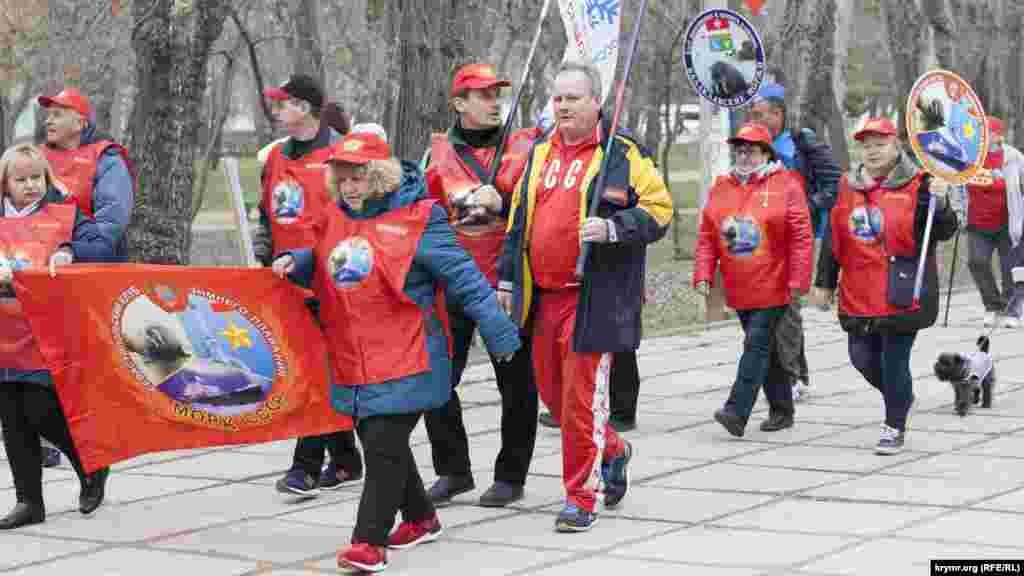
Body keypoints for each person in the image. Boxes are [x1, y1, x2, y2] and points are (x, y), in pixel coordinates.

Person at [271, 131, 520, 572]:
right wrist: (300, 261)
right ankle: (421, 518)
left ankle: (367, 543)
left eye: (358, 177)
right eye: (342, 178)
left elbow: (464, 278)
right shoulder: (336, 216)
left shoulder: (421, 219)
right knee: (378, 441)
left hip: (410, 356)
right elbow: (327, 251)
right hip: (354, 354)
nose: (349, 187)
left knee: (383, 444)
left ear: (380, 176)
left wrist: (499, 332)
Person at [497, 61, 673, 532]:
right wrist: (507, 280)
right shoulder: (538, 153)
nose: (564, 106)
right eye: (558, 98)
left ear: (597, 101)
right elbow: (518, 222)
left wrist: (614, 227)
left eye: (573, 97)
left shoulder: (622, 153)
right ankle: (613, 449)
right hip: (541, 299)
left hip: (590, 300)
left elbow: (660, 210)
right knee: (555, 400)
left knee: (580, 404)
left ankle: (581, 496)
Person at [420, 63, 539, 507]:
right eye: (483, 95)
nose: (493, 103)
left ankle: (511, 475)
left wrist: (503, 199)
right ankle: (453, 470)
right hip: (451, 284)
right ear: (459, 103)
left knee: (517, 385)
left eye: (496, 95)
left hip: (505, 282)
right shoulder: (436, 154)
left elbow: (537, 207)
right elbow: (425, 215)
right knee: (436, 381)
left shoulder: (524, 147)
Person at [813, 117, 959, 454]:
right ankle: (902, 397)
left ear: (896, 147)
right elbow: (835, 237)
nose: (873, 151)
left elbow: (944, 230)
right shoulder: (848, 187)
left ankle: (893, 425)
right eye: (867, 145)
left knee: (895, 361)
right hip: (857, 291)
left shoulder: (921, 184)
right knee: (861, 358)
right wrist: (824, 282)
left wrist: (942, 202)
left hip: (901, 290)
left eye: (880, 144)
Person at [253, 74, 363, 498]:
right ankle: (347, 459)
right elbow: (268, 213)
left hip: (333, 281)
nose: (277, 110)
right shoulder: (276, 157)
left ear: (303, 107)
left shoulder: (340, 154)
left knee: (317, 372)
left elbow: (353, 217)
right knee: (310, 370)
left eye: (282, 103)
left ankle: (305, 467)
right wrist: (265, 250)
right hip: (286, 283)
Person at [0, 144, 116, 529]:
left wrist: (70, 250)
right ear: (5, 183)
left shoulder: (64, 216)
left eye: (36, 177)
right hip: (3, 335)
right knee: (12, 418)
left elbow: (102, 244)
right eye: (21, 179)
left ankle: (91, 464)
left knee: (39, 408)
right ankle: (28, 500)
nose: (30, 185)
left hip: (45, 334)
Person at [694, 123, 813, 437]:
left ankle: (737, 410)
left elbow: (802, 235)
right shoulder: (721, 186)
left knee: (755, 344)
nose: (745, 156)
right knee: (766, 349)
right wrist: (704, 273)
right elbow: (708, 235)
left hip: (775, 282)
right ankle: (782, 410)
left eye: (752, 150)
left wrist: (800, 278)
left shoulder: (787, 184)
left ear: (766, 153)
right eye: (740, 150)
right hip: (739, 284)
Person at [748, 82, 842, 403]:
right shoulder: (754, 147)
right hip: (762, 239)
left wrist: (805, 207)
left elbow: (835, 185)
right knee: (778, 309)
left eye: (761, 114)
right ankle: (797, 375)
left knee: (785, 307)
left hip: (798, 237)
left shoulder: (803, 143)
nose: (755, 120)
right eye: (752, 114)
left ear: (778, 114)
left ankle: (788, 379)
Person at [38, 88, 133, 260]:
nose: (47, 121)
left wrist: (74, 252)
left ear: (80, 123)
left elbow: (111, 223)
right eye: (48, 115)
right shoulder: (37, 157)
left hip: (90, 261)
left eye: (57, 115)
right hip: (39, 256)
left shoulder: (107, 158)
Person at [964, 116, 1023, 327]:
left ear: (999, 136)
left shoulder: (1013, 157)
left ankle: (1012, 310)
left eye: (988, 133)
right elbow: (957, 183)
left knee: (1010, 267)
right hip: (977, 222)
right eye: (981, 133)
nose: (984, 137)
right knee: (976, 262)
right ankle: (993, 305)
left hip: (1007, 222)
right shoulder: (970, 158)